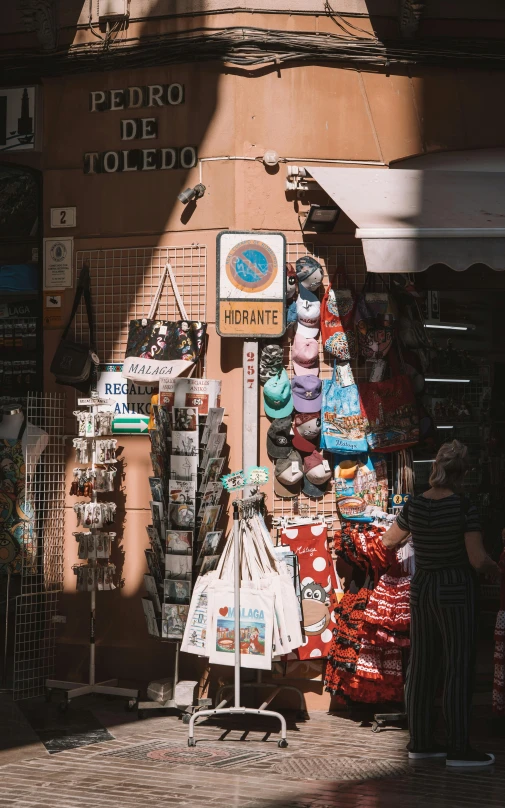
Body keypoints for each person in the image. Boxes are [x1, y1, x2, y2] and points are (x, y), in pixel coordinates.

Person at [381, 440, 500, 768]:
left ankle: (419, 742)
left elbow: (388, 540)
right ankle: (458, 747)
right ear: (462, 474)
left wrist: (419, 540)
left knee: (421, 665)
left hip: (422, 587)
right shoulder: (464, 507)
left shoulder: (415, 505)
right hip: (455, 588)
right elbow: (477, 559)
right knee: (458, 665)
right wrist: (495, 567)